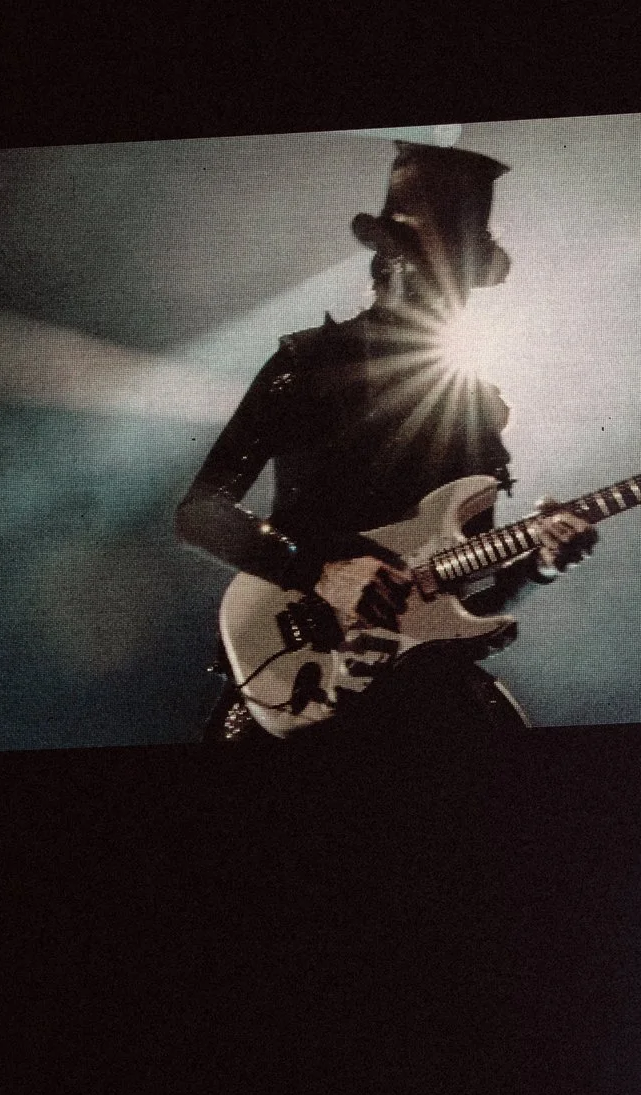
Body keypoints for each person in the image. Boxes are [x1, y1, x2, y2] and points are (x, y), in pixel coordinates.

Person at [176, 140, 595, 742]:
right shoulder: (308, 363)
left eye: (462, 273)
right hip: (308, 672)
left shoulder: (477, 407)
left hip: (421, 696)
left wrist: (542, 563)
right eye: (436, 264)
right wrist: (321, 572)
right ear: (391, 259)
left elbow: (464, 591)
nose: (450, 289)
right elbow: (200, 512)